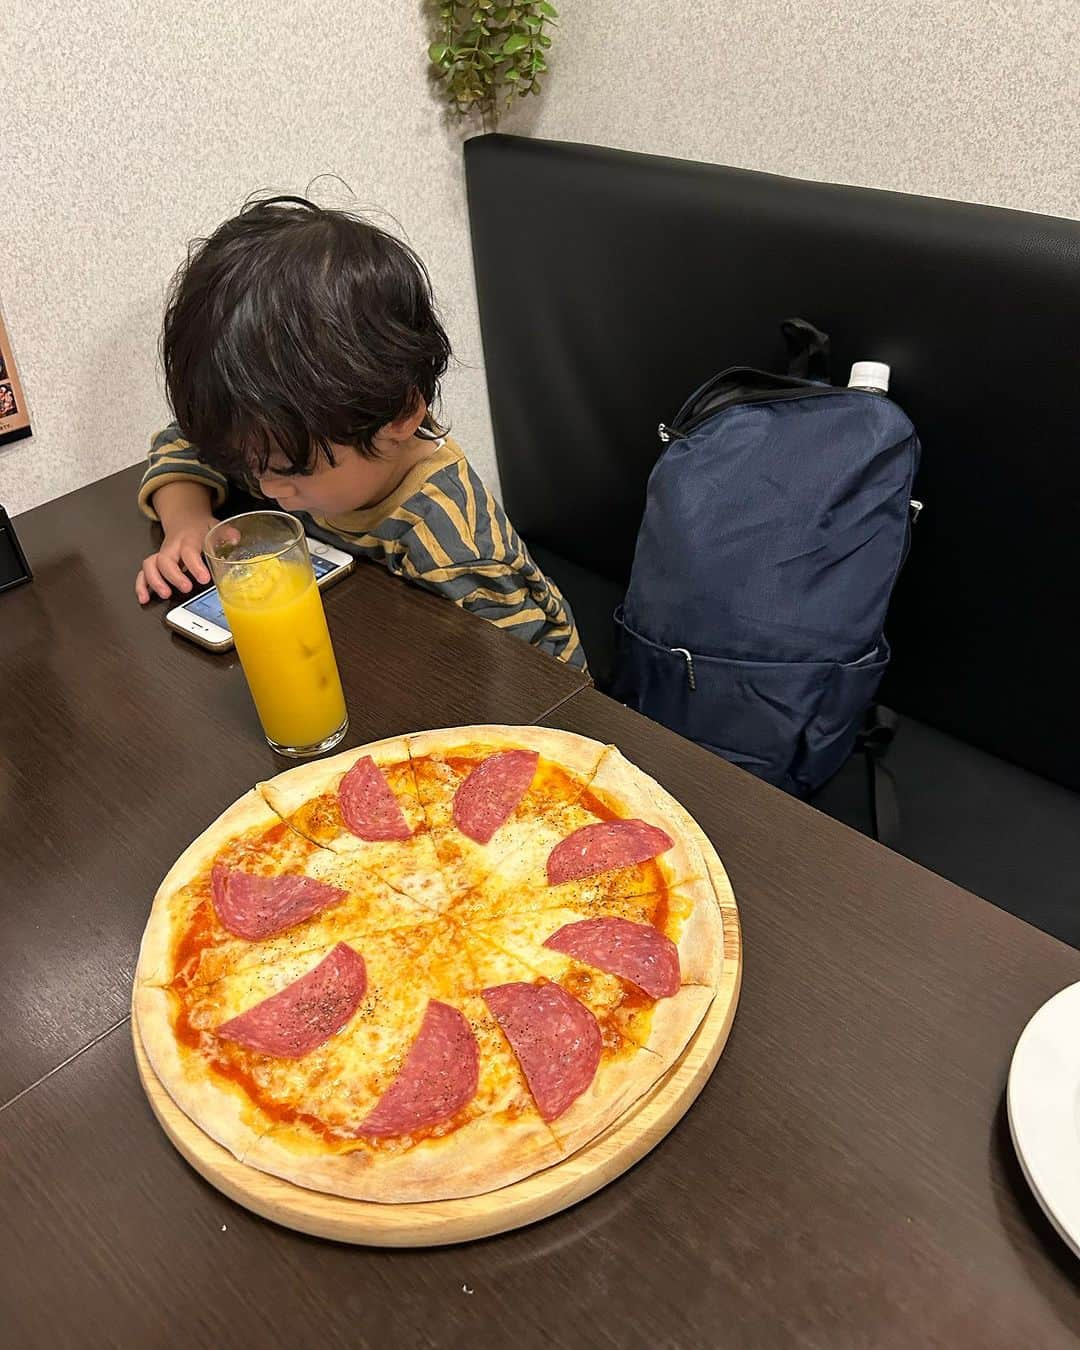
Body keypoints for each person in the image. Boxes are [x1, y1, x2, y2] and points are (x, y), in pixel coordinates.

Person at [134, 196, 586, 671]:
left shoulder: (454, 548)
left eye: (290, 470)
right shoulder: (279, 440)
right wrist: (185, 520)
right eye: (251, 464)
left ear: (397, 418)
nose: (267, 487)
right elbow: (181, 441)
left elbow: (537, 684)